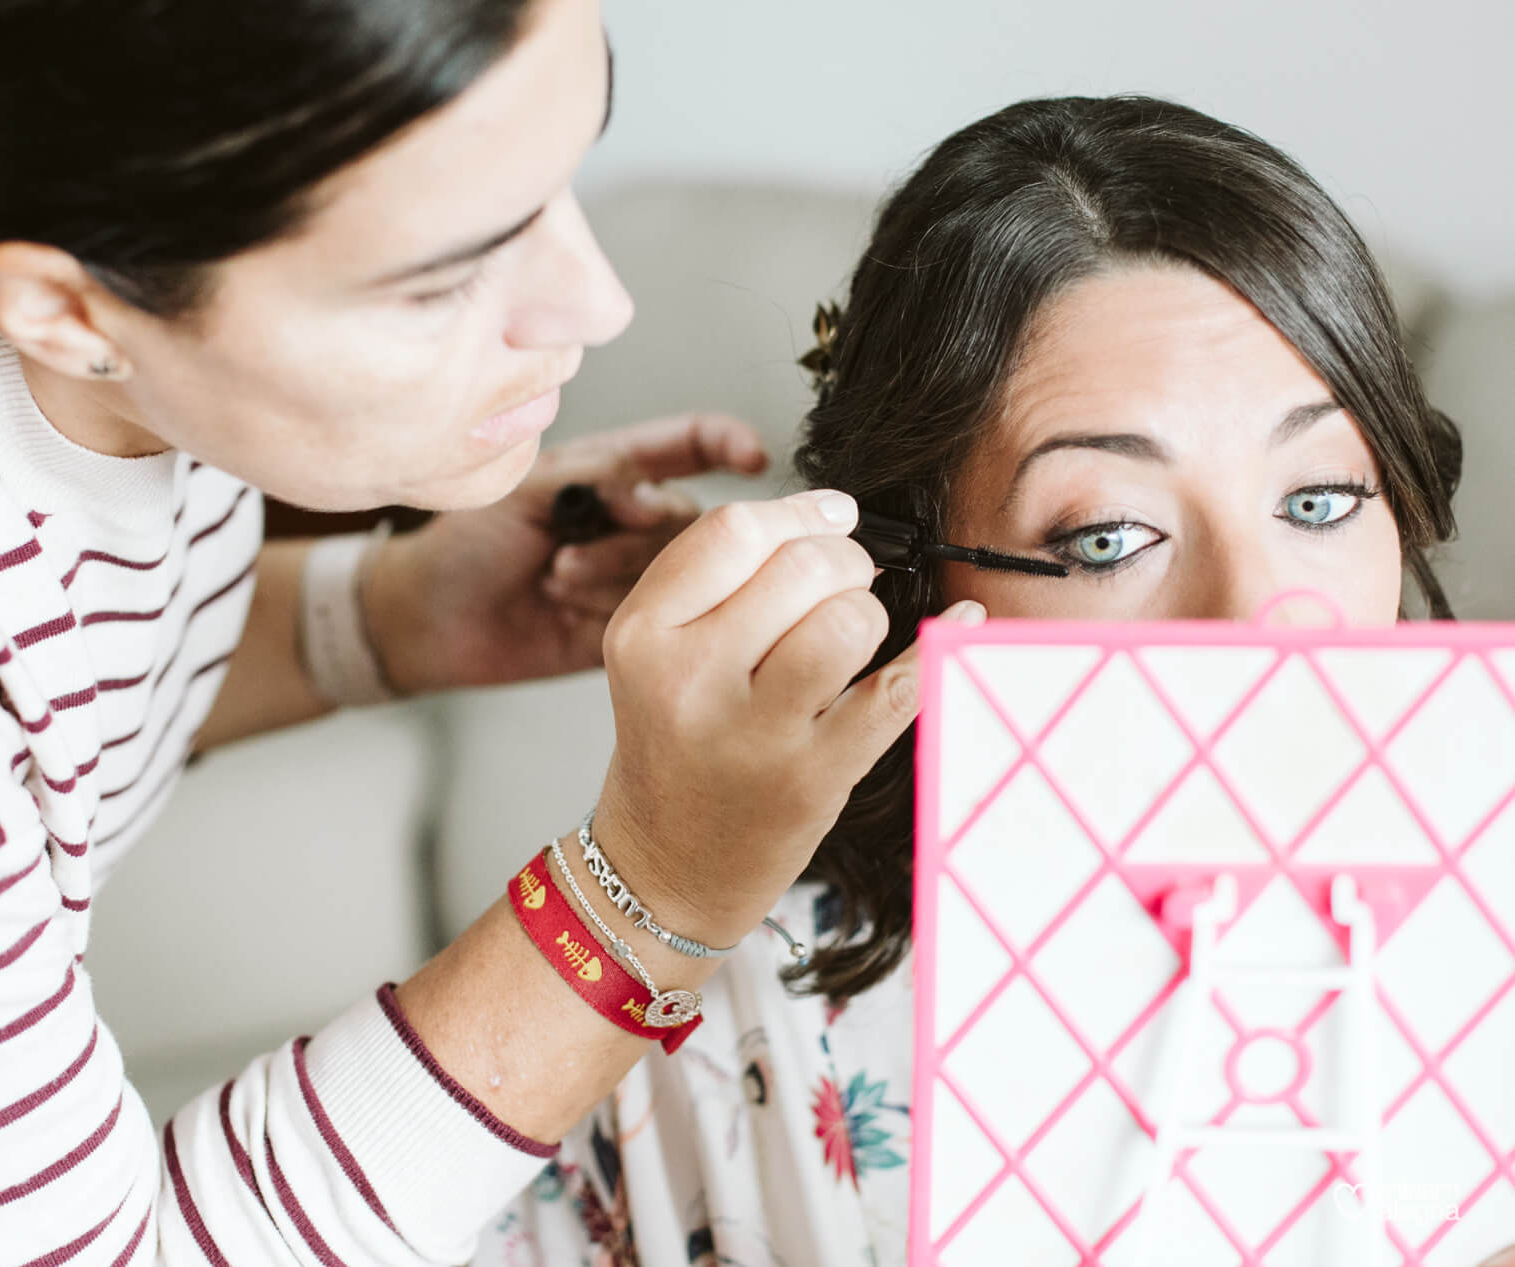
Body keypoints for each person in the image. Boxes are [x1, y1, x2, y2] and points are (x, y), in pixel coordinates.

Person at [0, 1, 944, 1262]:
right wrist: (655, 891)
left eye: (558, 175)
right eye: (441, 278)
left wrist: (365, 620)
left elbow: (15, 715)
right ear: (69, 313)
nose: (596, 305)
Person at [476, 95, 1487, 1266]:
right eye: (1108, 536)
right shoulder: (739, 1027)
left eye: (1317, 502)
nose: (1258, 622)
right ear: (913, 574)